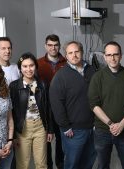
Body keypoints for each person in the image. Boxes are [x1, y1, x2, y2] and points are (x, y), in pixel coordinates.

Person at [88, 41, 124, 169]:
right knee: (102, 165)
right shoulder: (97, 77)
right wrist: (111, 124)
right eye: (109, 55)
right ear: (105, 57)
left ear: (121, 56)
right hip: (103, 130)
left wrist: (122, 124)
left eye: (116, 54)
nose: (113, 58)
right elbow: (94, 105)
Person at [49, 41, 96, 169]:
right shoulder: (61, 76)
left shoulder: (92, 71)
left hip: (93, 128)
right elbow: (56, 103)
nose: (74, 55)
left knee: (88, 161)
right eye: (70, 53)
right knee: (72, 163)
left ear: (82, 52)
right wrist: (65, 126)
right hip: (73, 131)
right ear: (66, 56)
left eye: (77, 52)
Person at [9, 52, 54, 169]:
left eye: (31, 65)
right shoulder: (14, 87)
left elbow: (48, 108)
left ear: (36, 66)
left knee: (42, 164)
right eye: (24, 66)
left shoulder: (43, 84)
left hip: (40, 128)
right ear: (20, 68)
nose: (28, 69)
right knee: (23, 164)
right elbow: (11, 113)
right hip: (22, 130)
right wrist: (13, 135)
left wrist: (50, 130)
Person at [37, 34, 66, 169]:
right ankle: (48, 165)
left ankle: (61, 164)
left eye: (55, 45)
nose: (53, 48)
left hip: (62, 107)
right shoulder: (38, 64)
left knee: (61, 139)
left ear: (59, 46)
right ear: (45, 46)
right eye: (50, 45)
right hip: (44, 108)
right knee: (45, 141)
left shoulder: (66, 63)